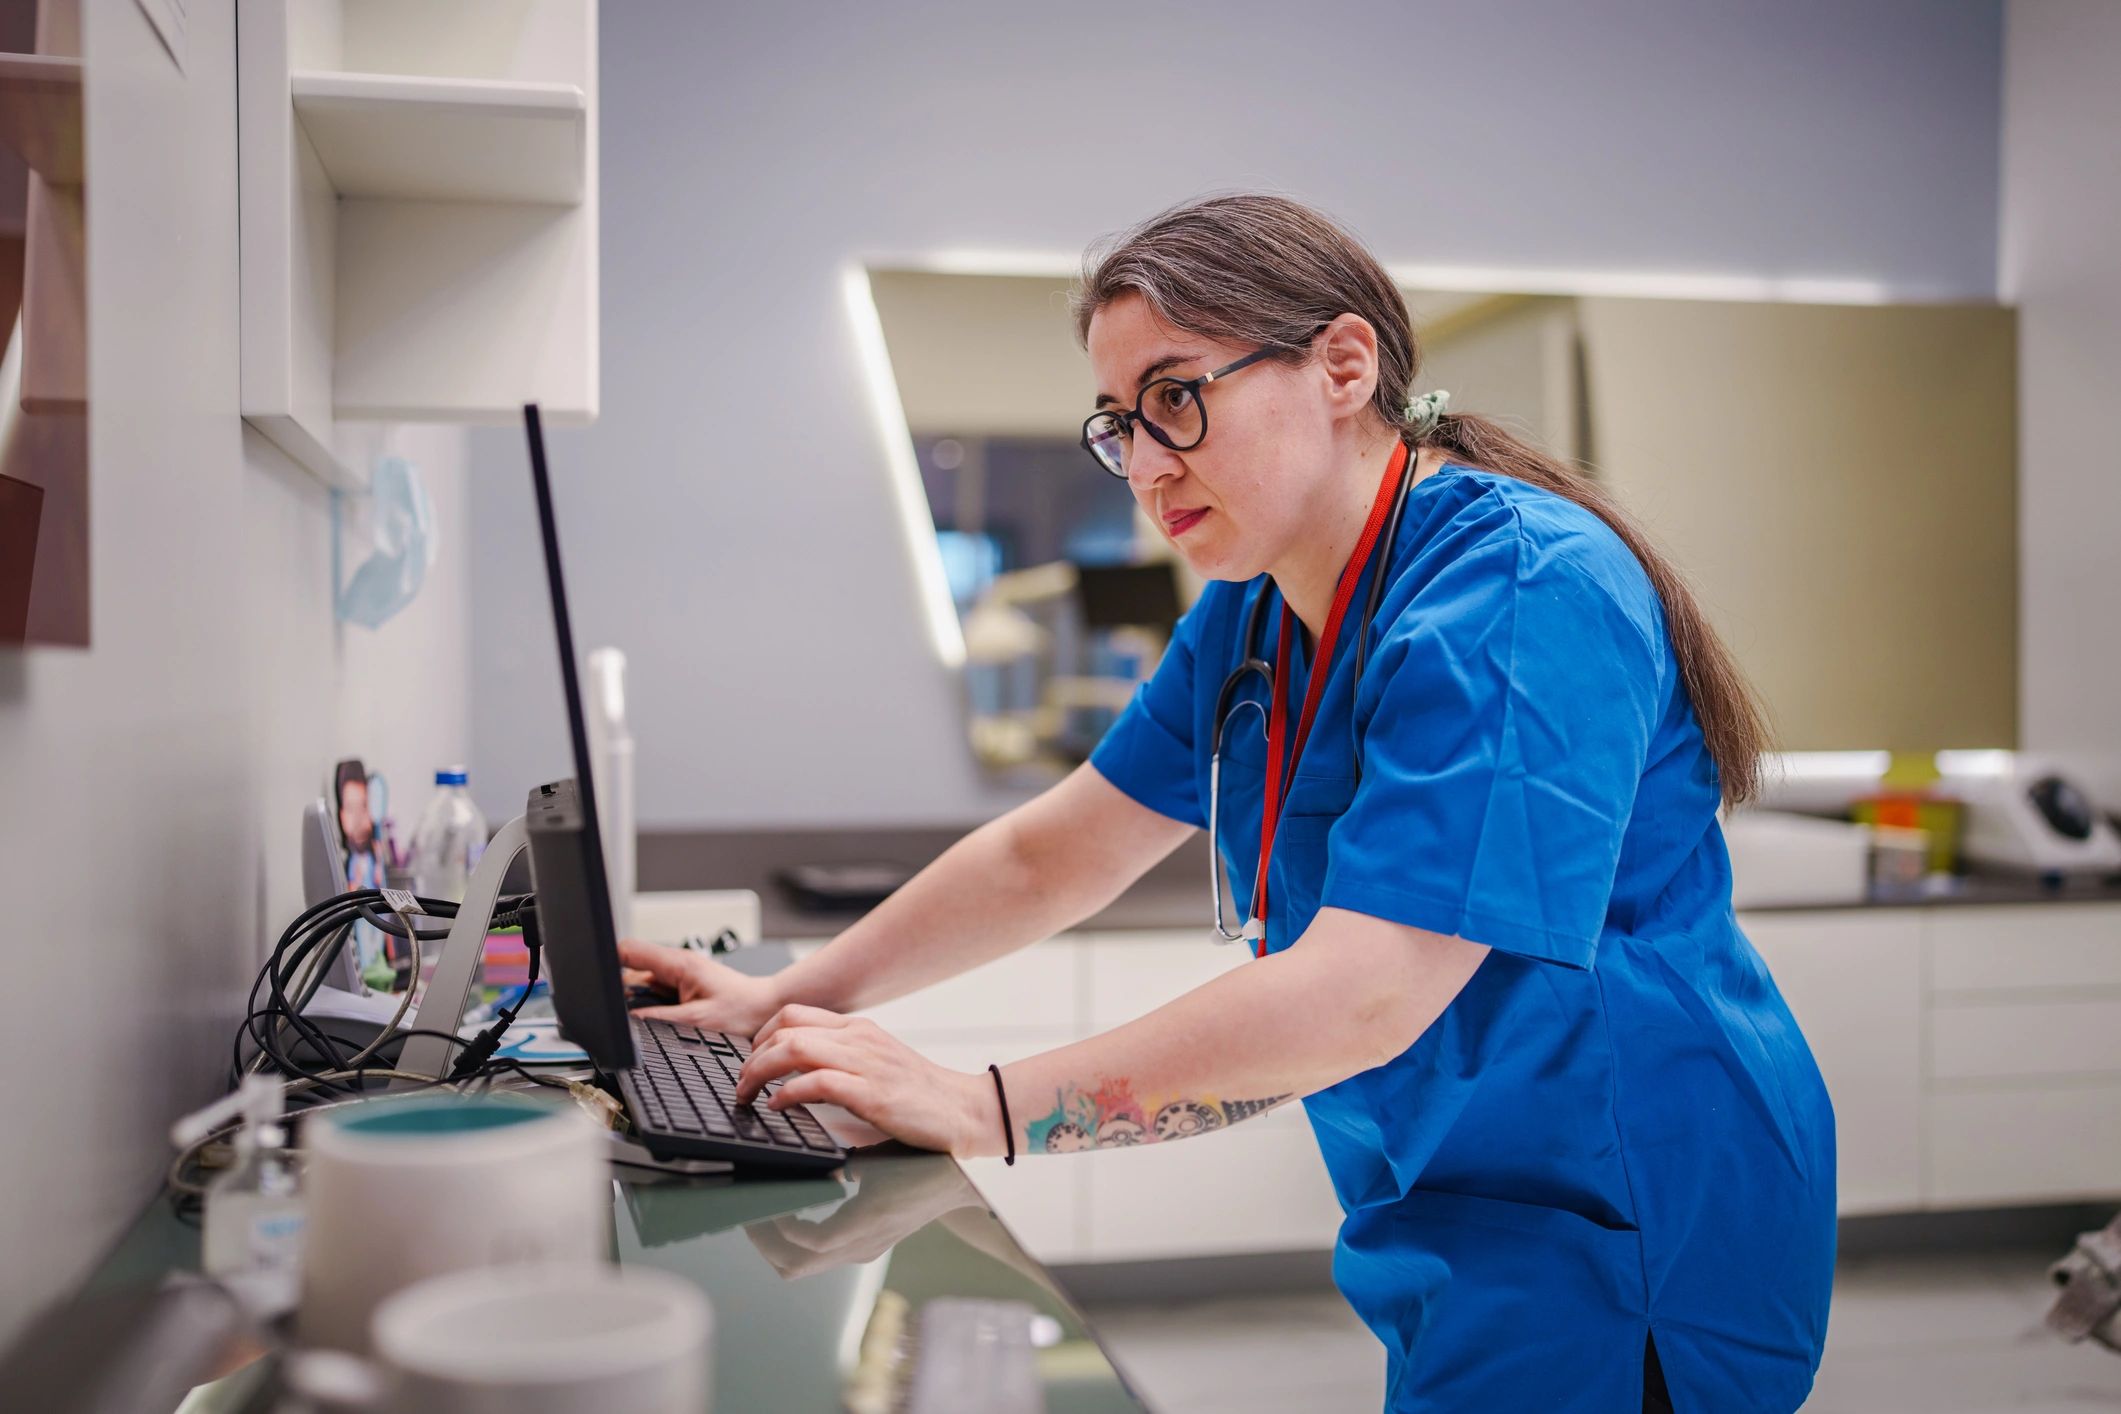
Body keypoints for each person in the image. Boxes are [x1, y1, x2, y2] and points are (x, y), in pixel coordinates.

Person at [619, 194, 1835, 1413]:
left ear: (1343, 364)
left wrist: (975, 1104)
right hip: (1450, 1199)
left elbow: (1369, 985)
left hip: (1631, 1216)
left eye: (1176, 397)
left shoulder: (1521, 592)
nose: (1146, 464)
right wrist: (783, 996)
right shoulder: (1254, 614)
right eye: (1119, 424)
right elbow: (1054, 854)